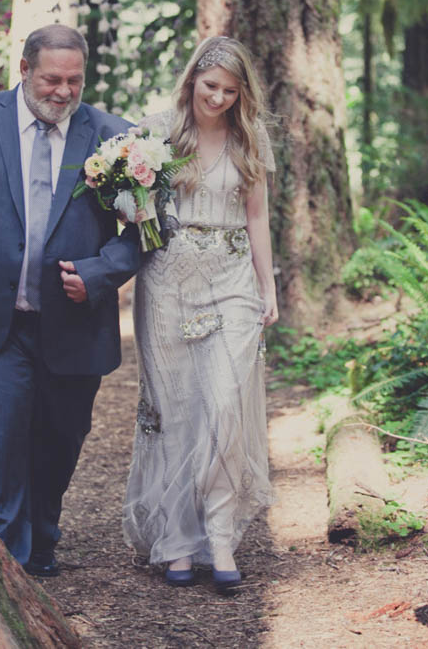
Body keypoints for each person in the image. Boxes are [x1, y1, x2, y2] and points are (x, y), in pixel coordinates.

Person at [0, 23, 139, 577]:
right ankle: (3, 561)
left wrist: (101, 272)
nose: (62, 91)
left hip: (75, 321)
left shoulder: (117, 139)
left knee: (61, 439)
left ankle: (40, 540)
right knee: (2, 433)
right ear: (24, 70)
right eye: (51, 79)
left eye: (74, 81)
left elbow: (145, 231)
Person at [122, 35, 278, 591]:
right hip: (166, 281)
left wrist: (268, 286)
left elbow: (257, 217)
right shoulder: (158, 129)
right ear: (193, 80)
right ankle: (175, 540)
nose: (218, 98)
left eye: (230, 92)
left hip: (233, 280)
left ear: (242, 94)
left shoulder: (250, 136)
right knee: (176, 408)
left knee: (225, 405)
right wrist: (132, 202)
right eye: (210, 86)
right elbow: (124, 198)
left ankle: (219, 536)